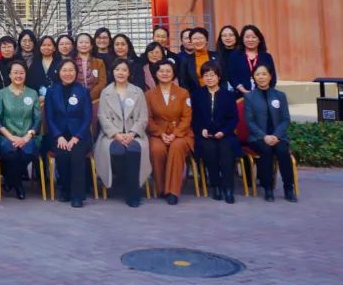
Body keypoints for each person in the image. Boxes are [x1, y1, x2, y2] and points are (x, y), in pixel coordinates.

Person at [94, 58, 151, 207]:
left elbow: (143, 117)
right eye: (117, 69)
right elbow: (102, 116)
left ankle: (133, 193)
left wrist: (132, 133)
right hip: (112, 136)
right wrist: (116, 135)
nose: (120, 73)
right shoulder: (106, 92)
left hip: (134, 135)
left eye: (124, 70)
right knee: (117, 150)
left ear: (129, 73)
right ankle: (122, 181)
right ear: (112, 72)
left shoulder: (138, 91)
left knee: (133, 149)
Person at [43, 60, 92, 207]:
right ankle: (65, 189)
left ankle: (77, 195)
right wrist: (59, 136)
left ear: (76, 73)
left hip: (79, 134)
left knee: (76, 154)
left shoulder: (83, 91)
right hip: (58, 134)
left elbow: (87, 117)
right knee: (63, 154)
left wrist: (77, 137)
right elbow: (49, 117)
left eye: (71, 70)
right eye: (64, 70)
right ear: (59, 72)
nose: (68, 73)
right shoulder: (52, 91)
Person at [244, 64, 296, 202]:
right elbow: (250, 121)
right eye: (257, 74)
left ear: (270, 76)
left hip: (278, 137)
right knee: (266, 150)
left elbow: (285, 119)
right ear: (253, 78)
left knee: (282, 151)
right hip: (258, 138)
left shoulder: (280, 95)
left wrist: (276, 135)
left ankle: (288, 188)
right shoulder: (249, 97)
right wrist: (264, 136)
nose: (261, 77)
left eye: (264, 74)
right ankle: (268, 188)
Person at [145, 60, 194, 205]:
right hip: (158, 133)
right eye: (161, 71)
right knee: (156, 149)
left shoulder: (183, 93)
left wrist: (175, 134)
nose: (165, 74)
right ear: (156, 74)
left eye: (168, 71)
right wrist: (160, 133)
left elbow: (187, 117)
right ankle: (161, 188)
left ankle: (173, 191)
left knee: (176, 147)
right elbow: (147, 118)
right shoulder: (149, 94)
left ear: (173, 74)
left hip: (180, 133)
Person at [193, 61, 240, 204]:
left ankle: (228, 188)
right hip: (205, 135)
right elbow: (194, 118)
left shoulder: (228, 95)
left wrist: (223, 132)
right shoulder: (197, 94)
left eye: (212, 75)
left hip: (224, 134)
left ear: (218, 77)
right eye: (206, 75)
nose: (209, 78)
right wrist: (201, 129)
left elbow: (234, 118)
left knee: (226, 150)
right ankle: (216, 186)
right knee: (209, 149)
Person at [0, 61, 41, 200]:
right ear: (9, 75)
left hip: (28, 136)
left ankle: (9, 181)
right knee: (12, 154)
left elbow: (37, 119)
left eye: (21, 73)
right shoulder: (2, 93)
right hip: (7, 136)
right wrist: (11, 137)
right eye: (15, 72)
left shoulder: (32, 93)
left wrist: (27, 137)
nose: (18, 76)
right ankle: (18, 185)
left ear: (25, 74)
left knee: (26, 154)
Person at [228, 24, 277, 96]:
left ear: (259, 40)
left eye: (254, 37)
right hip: (240, 95)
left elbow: (273, 77)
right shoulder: (235, 56)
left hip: (263, 95)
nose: (250, 40)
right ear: (242, 39)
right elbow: (231, 76)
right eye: (247, 37)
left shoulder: (267, 57)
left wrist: (263, 92)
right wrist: (244, 91)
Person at [74, 32, 107, 104]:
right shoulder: (70, 62)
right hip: (75, 99)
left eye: (86, 42)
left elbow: (102, 83)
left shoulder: (99, 62)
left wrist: (89, 96)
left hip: (95, 101)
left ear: (91, 46)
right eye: (81, 42)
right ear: (76, 46)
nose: (84, 45)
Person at [177, 27, 211, 95]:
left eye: (201, 38)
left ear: (206, 40)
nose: (198, 41)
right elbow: (184, 82)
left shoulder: (217, 56)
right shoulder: (186, 60)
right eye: (195, 39)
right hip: (195, 96)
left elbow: (223, 79)